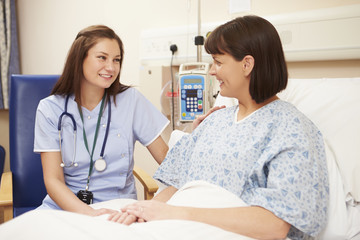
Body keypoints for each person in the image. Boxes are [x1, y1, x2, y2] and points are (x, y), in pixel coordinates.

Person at [108, 15, 329, 240]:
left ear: (247, 64)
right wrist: (141, 214)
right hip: (171, 227)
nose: (212, 71)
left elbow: (274, 225)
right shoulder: (214, 121)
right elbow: (175, 184)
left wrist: (175, 213)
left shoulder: (291, 128)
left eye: (218, 62)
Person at [34, 25, 169, 216]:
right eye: (102, 57)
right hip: (66, 208)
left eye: (117, 60)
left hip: (119, 210)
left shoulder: (131, 101)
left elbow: (167, 159)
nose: (111, 67)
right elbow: (53, 180)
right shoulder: (50, 109)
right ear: (80, 58)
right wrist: (89, 213)